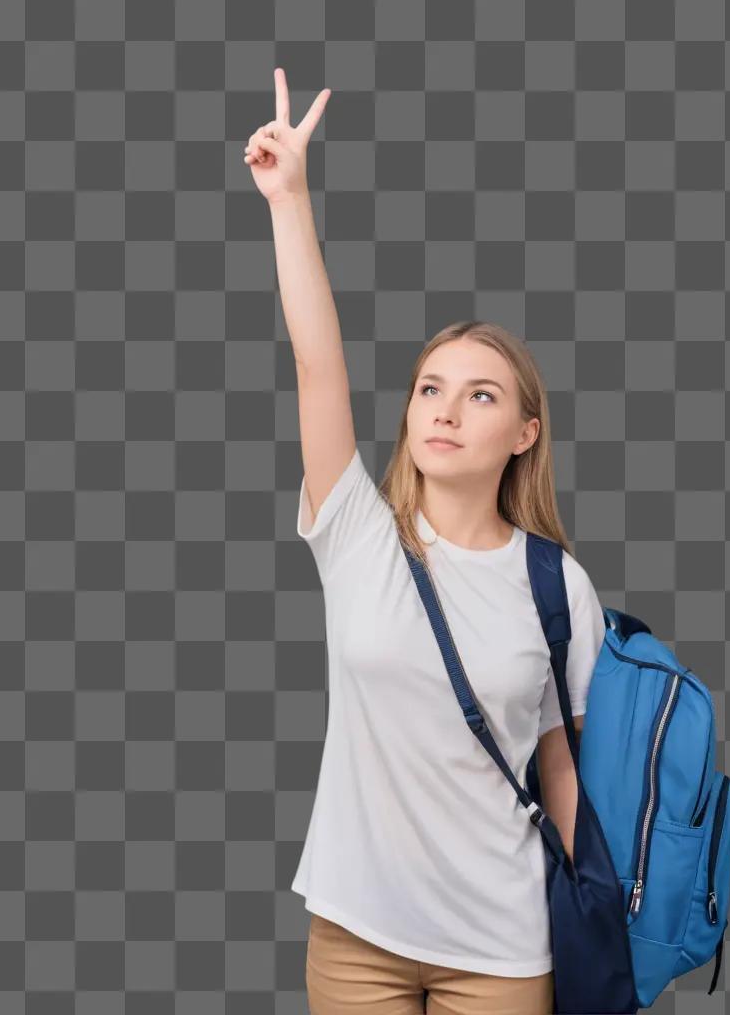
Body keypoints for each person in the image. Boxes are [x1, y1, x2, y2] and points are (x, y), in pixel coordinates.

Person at [244, 69, 607, 1015]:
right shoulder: (360, 534)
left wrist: (612, 910)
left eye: (480, 394)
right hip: (357, 935)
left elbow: (561, 761)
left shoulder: (555, 584)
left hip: (500, 945)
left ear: (525, 433)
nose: (445, 410)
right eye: (429, 389)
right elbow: (316, 360)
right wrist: (290, 199)